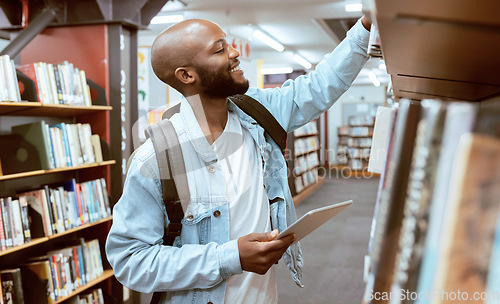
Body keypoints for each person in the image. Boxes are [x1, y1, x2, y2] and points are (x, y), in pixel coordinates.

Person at [106, 14, 372, 304]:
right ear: (187, 75)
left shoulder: (256, 115)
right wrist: (228, 258)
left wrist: (366, 26)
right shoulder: (156, 159)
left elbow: (319, 86)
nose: (234, 53)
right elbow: (131, 261)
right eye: (219, 50)